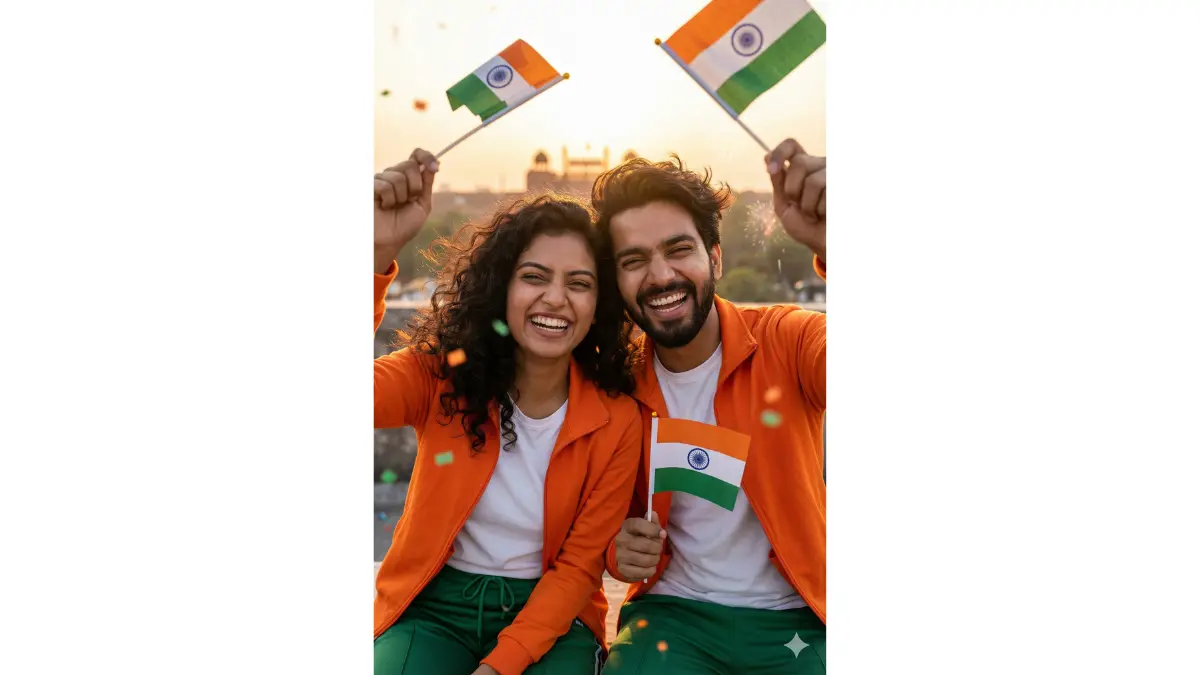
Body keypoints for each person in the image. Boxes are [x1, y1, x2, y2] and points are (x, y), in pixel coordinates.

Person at [372, 149, 643, 675]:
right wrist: (373, 255)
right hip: (432, 608)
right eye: (534, 276)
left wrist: (499, 668)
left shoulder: (616, 421)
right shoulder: (440, 374)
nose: (556, 299)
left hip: (552, 614)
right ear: (502, 288)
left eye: (579, 283)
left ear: (600, 304)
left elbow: (576, 570)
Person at [593, 139, 827, 674]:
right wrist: (617, 550)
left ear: (714, 255)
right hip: (672, 618)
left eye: (679, 250)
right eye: (634, 260)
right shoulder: (612, 382)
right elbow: (598, 521)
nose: (660, 276)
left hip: (796, 619)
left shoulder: (788, 341)